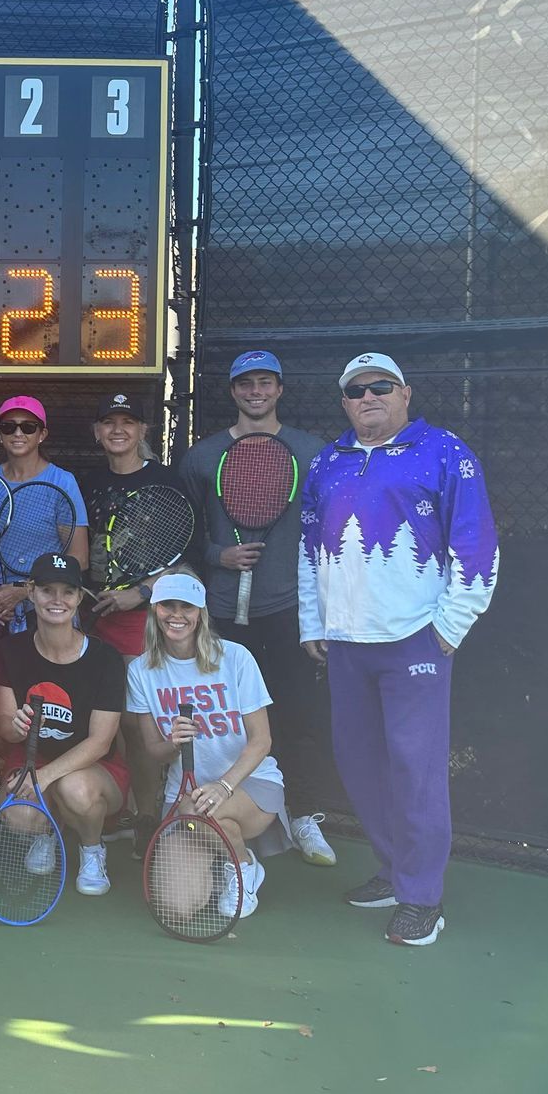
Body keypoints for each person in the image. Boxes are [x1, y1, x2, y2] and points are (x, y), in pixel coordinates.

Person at [300, 353, 499, 948]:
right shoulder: (326, 463)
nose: (369, 397)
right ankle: (394, 871)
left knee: (415, 771)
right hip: (346, 645)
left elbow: (477, 545)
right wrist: (315, 622)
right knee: (360, 764)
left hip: (416, 640)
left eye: (380, 386)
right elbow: (310, 550)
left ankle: (422, 899)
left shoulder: (446, 452)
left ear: (405, 393)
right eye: (356, 391)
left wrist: (447, 630)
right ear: (344, 403)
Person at [177, 350, 335, 867]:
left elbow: (330, 534)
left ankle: (306, 814)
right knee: (225, 723)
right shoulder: (202, 458)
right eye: (246, 384)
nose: (256, 392)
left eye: (266, 382)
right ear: (233, 391)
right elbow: (185, 535)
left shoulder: (312, 453)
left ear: (280, 389)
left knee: (297, 717)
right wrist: (217, 555)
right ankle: (212, 815)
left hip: (286, 612)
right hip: (221, 616)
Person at [126, 574, 290, 922]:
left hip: (249, 784)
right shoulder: (141, 671)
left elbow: (262, 740)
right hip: (188, 797)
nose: (177, 615)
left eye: (186, 607)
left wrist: (223, 786)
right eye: (168, 605)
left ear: (200, 613)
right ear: (155, 610)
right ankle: (224, 858)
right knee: (175, 907)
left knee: (202, 810)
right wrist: (173, 744)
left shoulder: (235, 657)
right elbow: (153, 752)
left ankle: (243, 869)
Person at [0, 552, 128, 896]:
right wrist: (15, 726)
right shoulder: (11, 650)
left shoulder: (105, 657)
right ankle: (48, 831)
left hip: (94, 768)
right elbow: (4, 725)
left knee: (74, 789)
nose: (57, 600)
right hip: (34, 757)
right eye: (48, 590)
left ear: (80, 598)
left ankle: (92, 849)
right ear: (31, 593)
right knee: (17, 813)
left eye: (68, 591)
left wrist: (45, 778)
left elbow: (101, 743)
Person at [0, 395, 90, 644]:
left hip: (46, 603)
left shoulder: (63, 482)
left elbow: (80, 558)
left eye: (28, 427)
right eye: (8, 426)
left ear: (41, 434)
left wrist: (25, 591)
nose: (18, 433)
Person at [79, 392, 189, 658]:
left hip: (145, 617)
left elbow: (186, 556)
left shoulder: (168, 481)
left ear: (142, 431)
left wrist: (140, 592)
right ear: (96, 431)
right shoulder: (88, 482)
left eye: (127, 421)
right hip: (93, 615)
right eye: (108, 422)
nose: (117, 430)